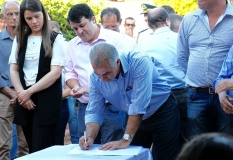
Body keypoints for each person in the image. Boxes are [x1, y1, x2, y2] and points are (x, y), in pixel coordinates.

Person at [79, 43, 180, 160]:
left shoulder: (139, 61)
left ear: (117, 62)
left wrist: (126, 139)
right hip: (132, 116)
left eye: (107, 73)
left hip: (162, 111)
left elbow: (138, 104)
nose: (102, 79)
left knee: (165, 155)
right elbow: (95, 110)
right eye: (98, 74)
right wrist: (90, 136)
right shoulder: (95, 78)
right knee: (133, 156)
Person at [65, 3, 129, 144]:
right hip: (85, 107)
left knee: (111, 150)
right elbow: (69, 73)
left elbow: (123, 73)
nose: (79, 31)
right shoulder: (71, 45)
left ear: (93, 19)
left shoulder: (116, 39)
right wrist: (75, 87)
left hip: (112, 105)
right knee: (87, 146)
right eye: (75, 28)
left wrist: (89, 89)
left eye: (82, 25)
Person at [9, 0, 65, 153]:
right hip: (25, 99)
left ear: (43, 14)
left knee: (41, 148)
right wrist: (22, 94)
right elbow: (14, 69)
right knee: (31, 148)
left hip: (46, 99)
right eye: (29, 18)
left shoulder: (56, 38)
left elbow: (55, 73)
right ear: (23, 19)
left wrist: (29, 92)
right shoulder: (20, 38)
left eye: (37, 16)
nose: (34, 21)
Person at [177, 0, 233, 138]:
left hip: (228, 97)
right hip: (196, 94)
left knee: (227, 146)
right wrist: (196, 79)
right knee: (198, 147)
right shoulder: (189, 19)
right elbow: (182, 56)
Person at [138, 7, 189, 147]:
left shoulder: (143, 42)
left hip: (156, 96)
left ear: (148, 24)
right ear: (167, 21)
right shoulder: (179, 38)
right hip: (182, 93)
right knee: (184, 137)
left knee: (163, 140)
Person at [0, 1, 29, 159]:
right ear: (3, 17)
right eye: (10, 14)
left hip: (26, 95)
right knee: (4, 144)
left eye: (17, 14)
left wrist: (21, 94)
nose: (14, 18)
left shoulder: (30, 39)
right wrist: (12, 94)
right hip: (3, 95)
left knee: (25, 143)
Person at [49, 20, 70, 145]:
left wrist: (50, 98)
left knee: (58, 141)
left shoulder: (66, 56)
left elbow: (69, 88)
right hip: (42, 107)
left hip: (62, 105)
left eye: (56, 35)